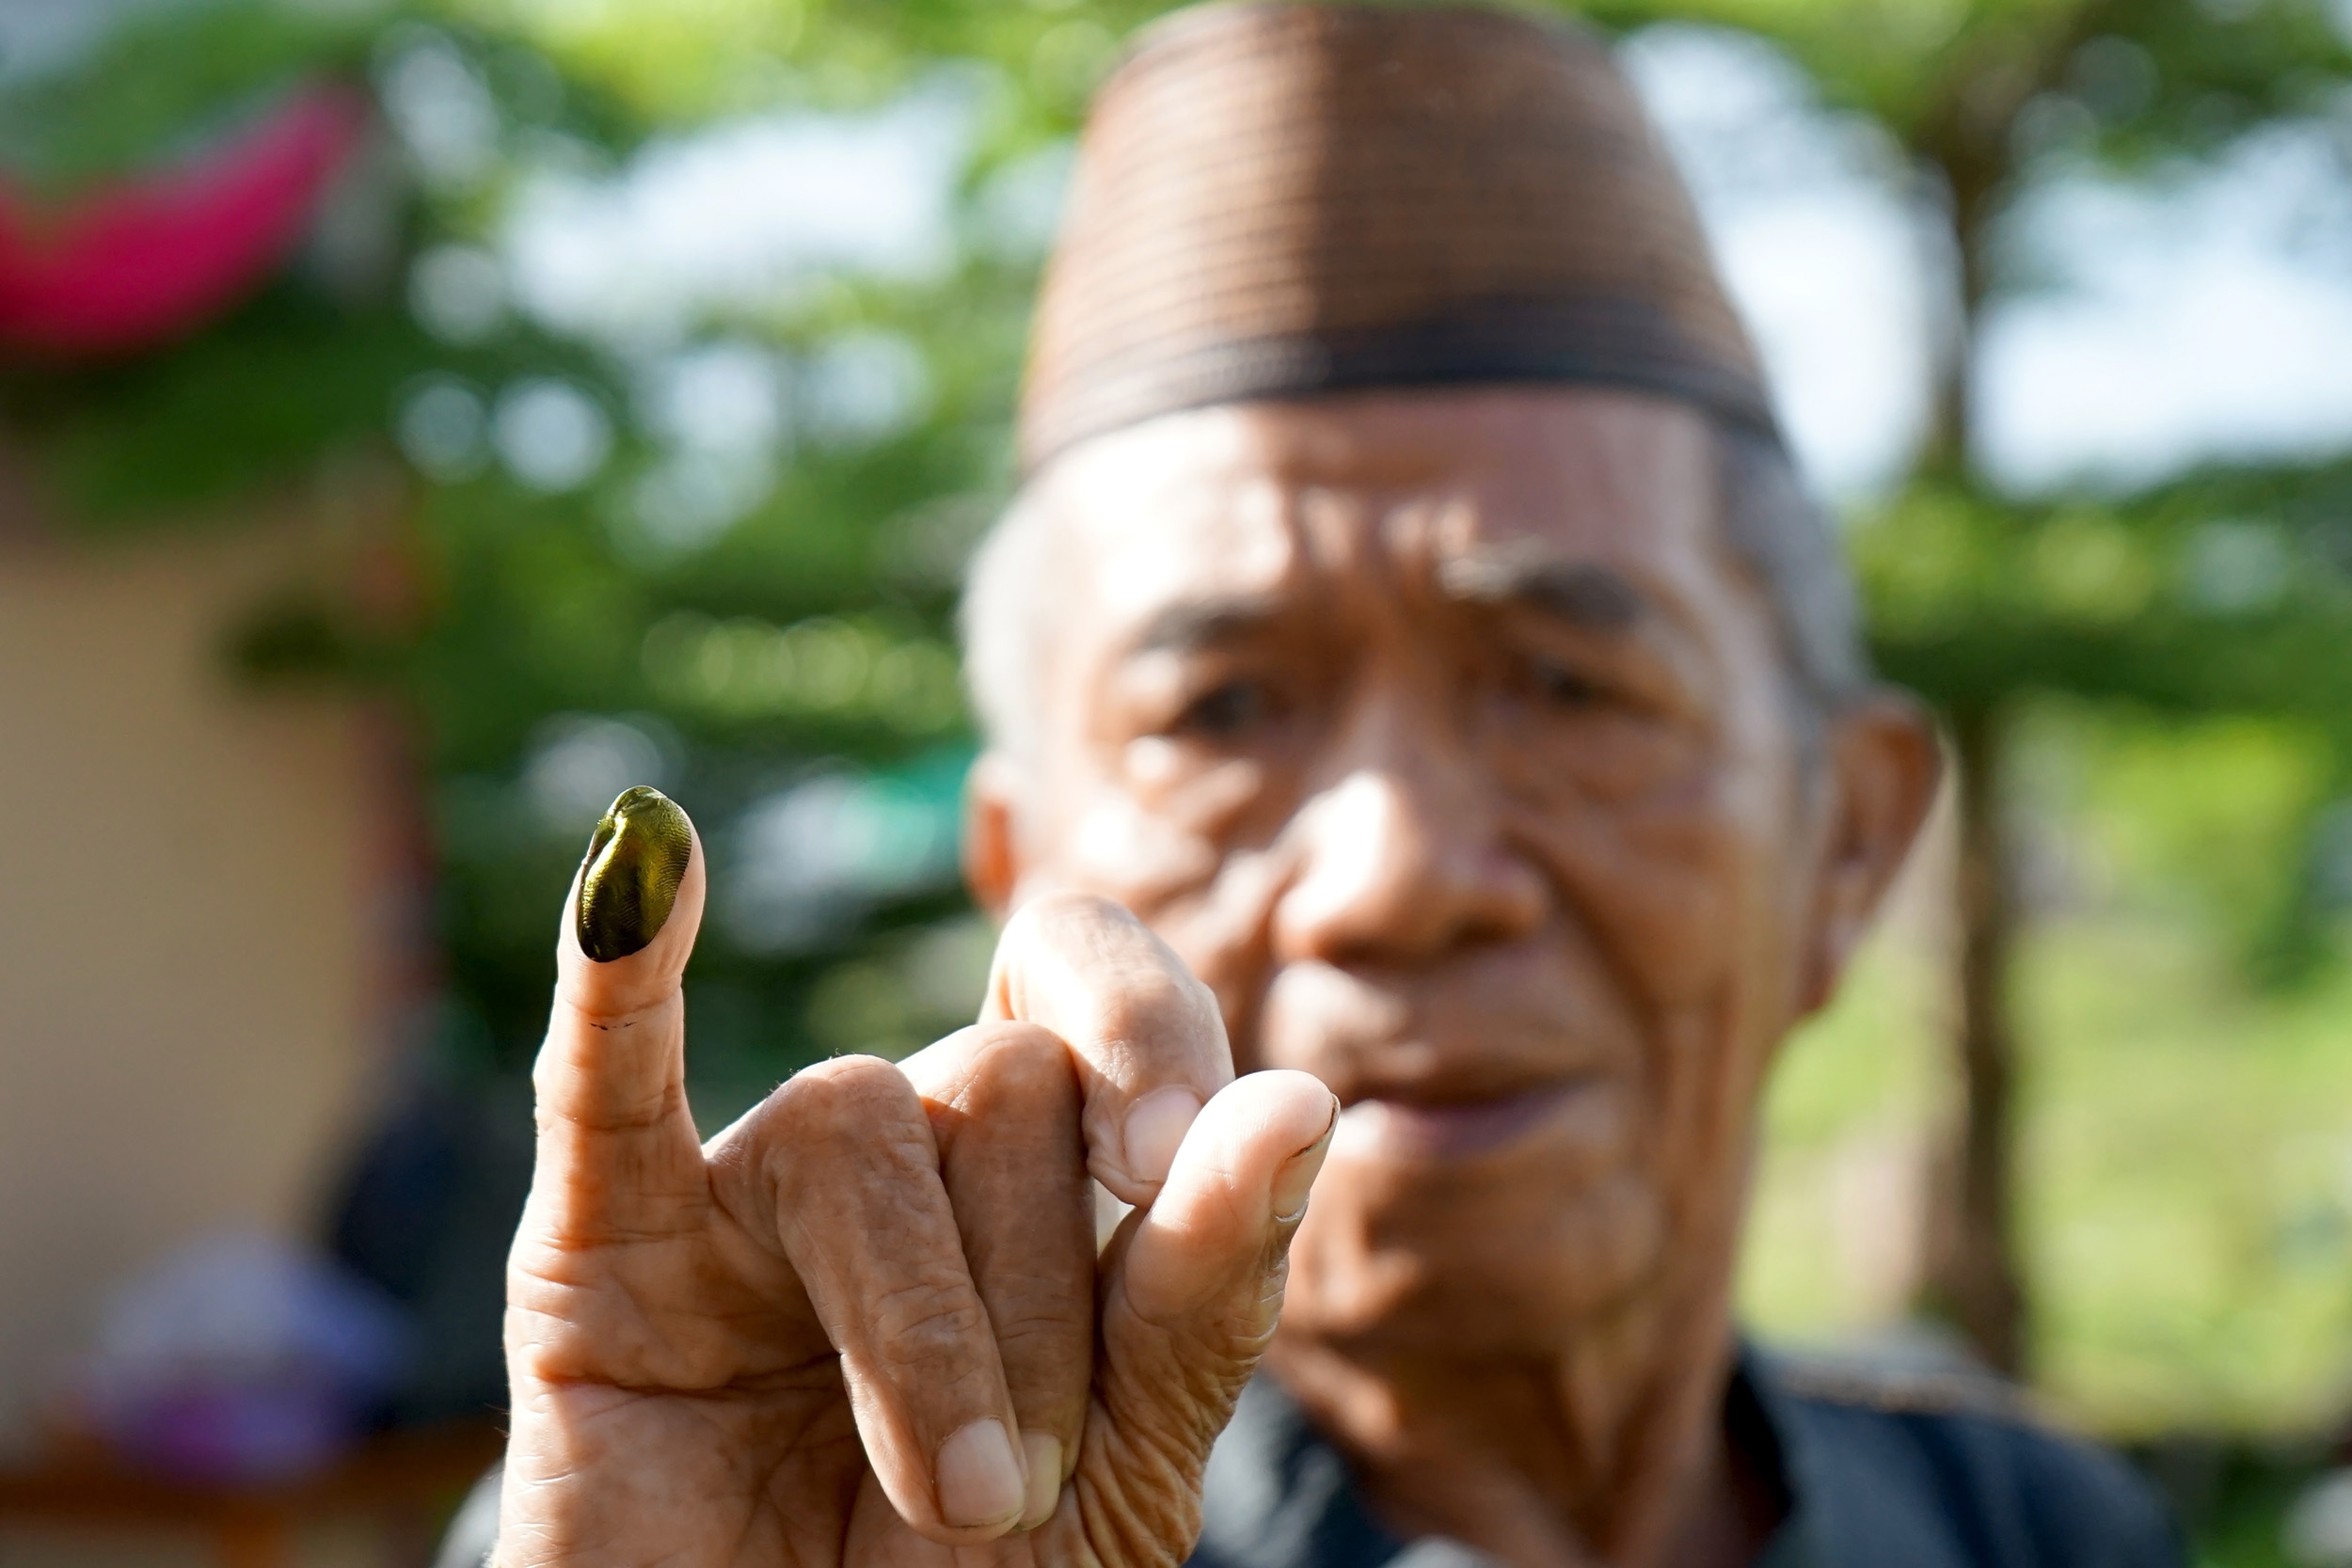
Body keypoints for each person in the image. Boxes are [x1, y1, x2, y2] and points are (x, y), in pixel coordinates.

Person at [457, 5, 2183, 1565]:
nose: (1396, 874)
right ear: (1021, 869)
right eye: (1220, 709)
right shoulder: (783, 1514)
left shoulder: (2025, 1528)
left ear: (1850, 837)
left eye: (1570, 684)